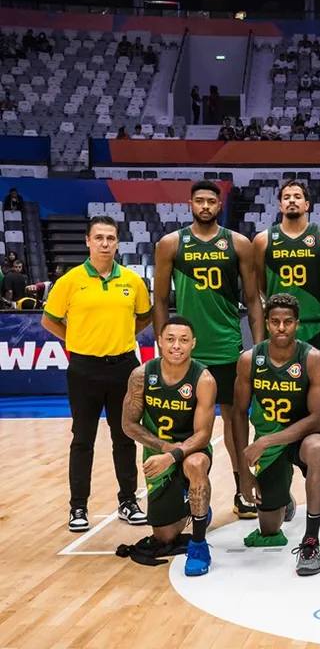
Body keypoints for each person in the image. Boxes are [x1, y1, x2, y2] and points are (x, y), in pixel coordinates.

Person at [153, 180, 264, 519]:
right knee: (185, 425)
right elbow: (159, 299)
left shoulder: (238, 244)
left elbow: (252, 300)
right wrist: (164, 344)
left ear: (219, 205)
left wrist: (257, 348)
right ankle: (185, 494)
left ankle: (242, 489)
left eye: (210, 202)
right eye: (199, 201)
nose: (205, 206)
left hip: (227, 347)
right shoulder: (171, 244)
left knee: (235, 422)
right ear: (190, 204)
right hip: (186, 353)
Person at [41, 216, 152, 531]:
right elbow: (49, 321)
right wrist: (76, 338)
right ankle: (78, 508)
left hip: (124, 367)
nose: (105, 243)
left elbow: (143, 318)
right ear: (88, 241)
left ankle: (128, 501)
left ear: (118, 242)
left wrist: (121, 333)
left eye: (111, 238)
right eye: (99, 237)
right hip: (84, 369)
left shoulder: (132, 281)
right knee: (82, 439)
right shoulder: (70, 281)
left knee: (125, 436)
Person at [231, 294, 320, 576]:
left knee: (317, 447)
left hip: (299, 439)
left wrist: (267, 441)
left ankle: (311, 539)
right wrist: (244, 473)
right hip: (268, 446)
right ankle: (284, 499)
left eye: (288, 322)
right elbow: (238, 414)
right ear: (266, 323)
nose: (281, 328)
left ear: (297, 324)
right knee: (269, 528)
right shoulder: (250, 360)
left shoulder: (313, 358)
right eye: (275, 322)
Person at [253, 180, 320, 510]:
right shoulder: (263, 240)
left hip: (315, 326)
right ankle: (277, 481)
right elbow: (262, 286)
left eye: (297, 197)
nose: (292, 201)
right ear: (279, 204)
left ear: (307, 204)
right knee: (274, 404)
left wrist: (314, 306)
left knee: (319, 409)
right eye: (286, 197)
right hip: (280, 332)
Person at [120, 316, 216, 576]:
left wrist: (173, 455)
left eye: (184, 340)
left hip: (191, 451)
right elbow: (128, 424)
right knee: (164, 537)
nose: (177, 346)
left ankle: (198, 543)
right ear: (160, 341)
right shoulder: (141, 375)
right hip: (158, 453)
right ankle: (195, 507)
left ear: (193, 344)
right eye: (171, 339)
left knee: (195, 465)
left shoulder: (203, 379)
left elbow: (203, 435)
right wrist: (163, 449)